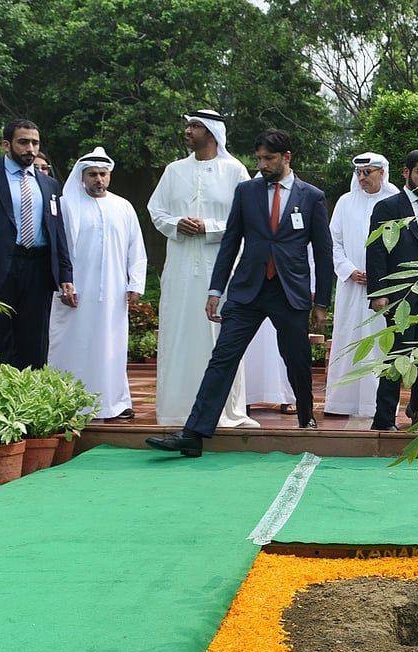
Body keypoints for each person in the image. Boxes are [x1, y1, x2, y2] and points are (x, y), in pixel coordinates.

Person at [146, 129, 332, 456]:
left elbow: (323, 251)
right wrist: (216, 289)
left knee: (298, 359)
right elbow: (230, 242)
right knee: (223, 358)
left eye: (269, 159)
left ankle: (307, 419)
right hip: (247, 291)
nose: (262, 165)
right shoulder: (247, 192)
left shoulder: (312, 196)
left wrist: (322, 302)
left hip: (289, 292)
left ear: (287, 157)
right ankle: (194, 433)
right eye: (259, 159)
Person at [147, 110, 255, 428]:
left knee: (221, 337)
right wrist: (176, 224)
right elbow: (156, 210)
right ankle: (176, 411)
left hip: (220, 268)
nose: (187, 131)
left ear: (211, 132)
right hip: (180, 268)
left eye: (194, 126)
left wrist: (209, 227)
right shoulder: (174, 170)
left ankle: (224, 412)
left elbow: (247, 217)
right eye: (188, 125)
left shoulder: (235, 170)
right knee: (178, 335)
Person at [0, 119, 74, 368]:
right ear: (6, 144)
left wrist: (65, 272)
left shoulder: (49, 184)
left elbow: (56, 231)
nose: (30, 149)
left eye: (35, 143)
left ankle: (31, 390)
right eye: (23, 142)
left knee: (35, 341)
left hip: (39, 270)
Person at [47, 147, 147, 420]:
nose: (98, 179)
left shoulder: (123, 206)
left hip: (114, 292)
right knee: (73, 346)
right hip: (74, 292)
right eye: (92, 174)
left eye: (103, 174)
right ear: (82, 176)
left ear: (110, 176)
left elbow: (135, 247)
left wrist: (135, 283)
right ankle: (68, 402)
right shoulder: (67, 205)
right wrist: (63, 283)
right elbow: (57, 249)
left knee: (111, 346)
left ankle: (113, 403)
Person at [365, 150, 418, 431]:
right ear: (406, 172)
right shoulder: (388, 207)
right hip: (402, 296)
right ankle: (384, 419)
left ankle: (417, 409)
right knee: (398, 356)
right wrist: (378, 293)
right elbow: (376, 251)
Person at [325, 152, 398, 418]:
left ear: (382, 173)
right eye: (358, 172)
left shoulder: (394, 200)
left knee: (378, 342)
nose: (362, 177)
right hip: (351, 284)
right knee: (347, 337)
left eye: (368, 172)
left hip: (383, 288)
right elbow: (334, 242)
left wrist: (381, 275)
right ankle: (340, 403)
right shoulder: (346, 202)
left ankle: (374, 405)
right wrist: (349, 270)